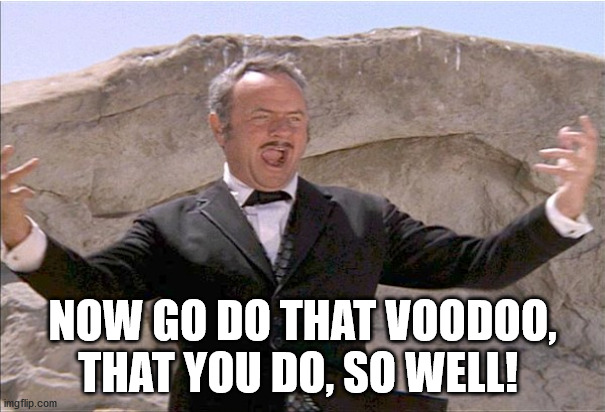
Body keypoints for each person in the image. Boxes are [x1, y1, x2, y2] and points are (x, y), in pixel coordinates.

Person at [1, 54, 597, 411]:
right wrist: (17, 230)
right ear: (220, 128)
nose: (282, 132)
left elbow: (481, 264)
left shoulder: (365, 216)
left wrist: (564, 205)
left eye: (295, 119)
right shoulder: (169, 225)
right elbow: (93, 291)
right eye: (262, 118)